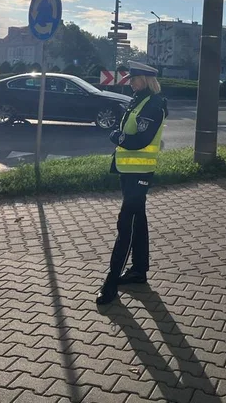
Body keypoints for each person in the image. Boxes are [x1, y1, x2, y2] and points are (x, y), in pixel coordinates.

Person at [96, 61, 168, 306]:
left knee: (126, 223)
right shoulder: (137, 100)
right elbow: (124, 131)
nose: (130, 82)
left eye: (134, 79)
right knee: (138, 221)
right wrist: (119, 135)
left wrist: (117, 136)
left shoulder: (154, 104)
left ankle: (111, 281)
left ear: (146, 80)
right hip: (128, 170)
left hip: (140, 172)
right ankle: (138, 270)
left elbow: (139, 139)